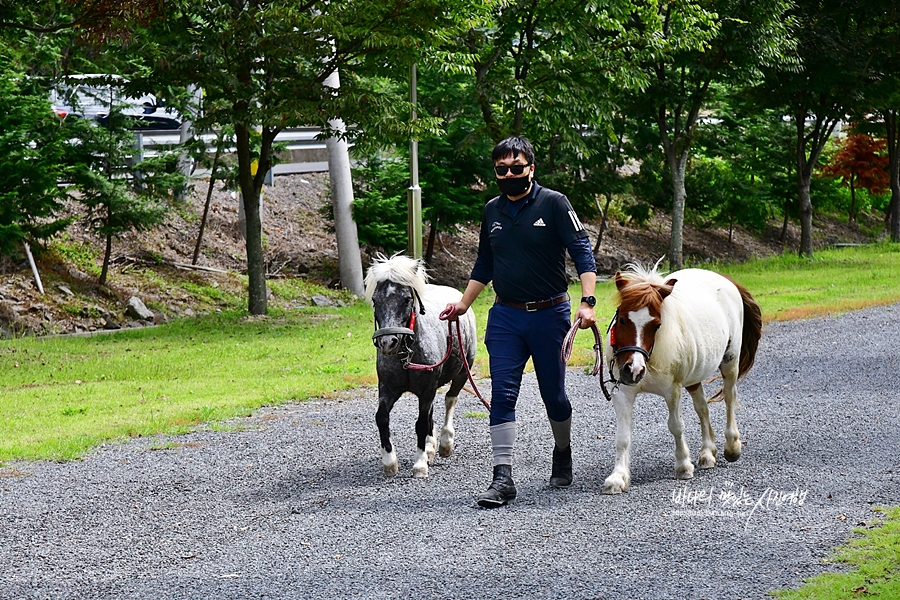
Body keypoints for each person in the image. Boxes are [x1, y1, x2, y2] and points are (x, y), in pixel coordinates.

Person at [447, 136, 597, 508]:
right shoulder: (493, 210)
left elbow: (582, 251)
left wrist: (588, 302)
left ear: (531, 167)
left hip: (550, 315)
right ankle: (503, 477)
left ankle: (562, 450)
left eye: (516, 168)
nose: (509, 174)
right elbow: (485, 263)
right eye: (502, 170)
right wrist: (464, 304)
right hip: (506, 317)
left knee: (554, 396)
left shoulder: (554, 203)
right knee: (503, 393)